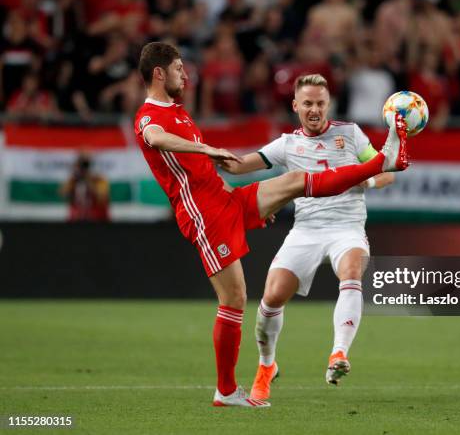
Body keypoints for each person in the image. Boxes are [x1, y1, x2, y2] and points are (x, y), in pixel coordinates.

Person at [133, 42, 410, 407]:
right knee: (235, 299)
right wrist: (207, 150)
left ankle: (385, 161)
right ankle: (228, 389)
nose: (185, 74)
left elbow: (211, 172)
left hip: (229, 200)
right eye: (179, 68)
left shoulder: (179, 112)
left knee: (295, 184)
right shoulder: (151, 115)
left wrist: (259, 201)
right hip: (204, 214)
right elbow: (155, 138)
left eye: (320, 102)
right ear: (159, 73)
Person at [219, 73, 395, 400]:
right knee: (271, 298)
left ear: (329, 104)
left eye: (320, 103)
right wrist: (198, 153)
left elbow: (385, 171)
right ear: (296, 105)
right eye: (308, 103)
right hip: (306, 231)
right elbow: (239, 166)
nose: (314, 109)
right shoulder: (287, 144)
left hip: (347, 226)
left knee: (352, 271)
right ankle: (266, 366)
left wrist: (365, 182)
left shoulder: (350, 134)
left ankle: (338, 354)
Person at [60, 153, 110, 222]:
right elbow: (62, 193)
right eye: (80, 166)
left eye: (84, 166)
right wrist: (73, 181)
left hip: (97, 218)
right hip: (77, 217)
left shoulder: (99, 179)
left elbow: (102, 196)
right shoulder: (73, 180)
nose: (82, 169)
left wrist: (88, 181)